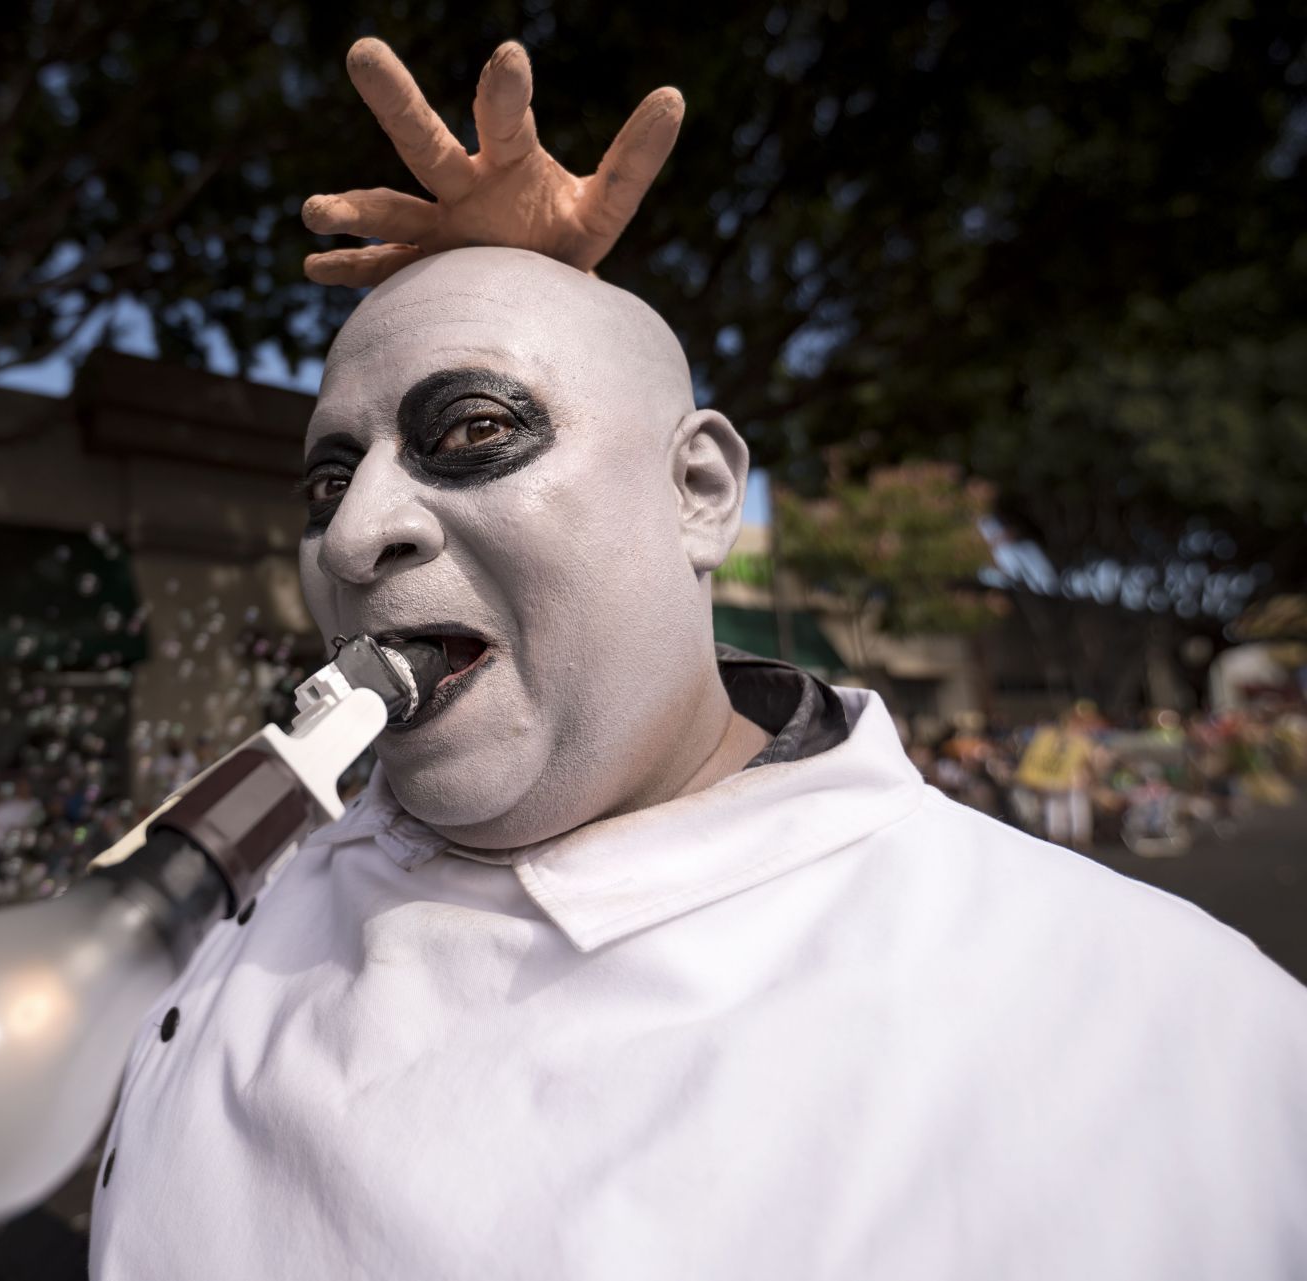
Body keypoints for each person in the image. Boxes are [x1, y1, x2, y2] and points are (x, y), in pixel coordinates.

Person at [87, 41, 1307, 1281]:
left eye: (470, 431)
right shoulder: (224, 888)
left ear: (701, 491)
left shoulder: (1158, 1031)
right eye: (328, 481)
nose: (353, 535)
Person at [1014, 701, 1101, 850]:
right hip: (1061, 780)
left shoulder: (1052, 737)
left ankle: (1067, 839)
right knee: (1063, 808)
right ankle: (1069, 839)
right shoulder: (1066, 739)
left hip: (1061, 780)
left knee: (1064, 808)